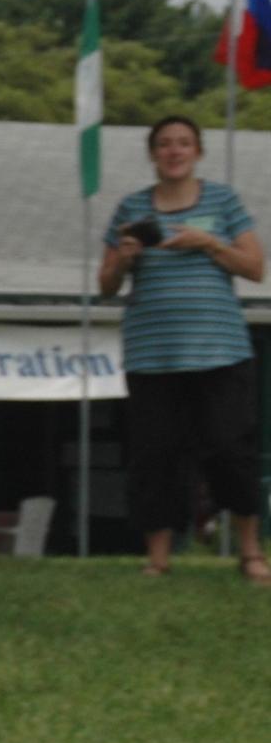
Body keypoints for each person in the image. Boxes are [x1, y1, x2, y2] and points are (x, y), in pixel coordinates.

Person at [97, 115, 267, 580]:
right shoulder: (132, 207)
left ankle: (251, 552)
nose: (174, 151)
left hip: (220, 352)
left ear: (198, 152)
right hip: (153, 355)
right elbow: (106, 285)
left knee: (231, 450)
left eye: (184, 143)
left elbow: (255, 268)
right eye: (165, 144)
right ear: (153, 154)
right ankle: (158, 559)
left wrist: (208, 242)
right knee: (156, 456)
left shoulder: (223, 201)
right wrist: (124, 259)